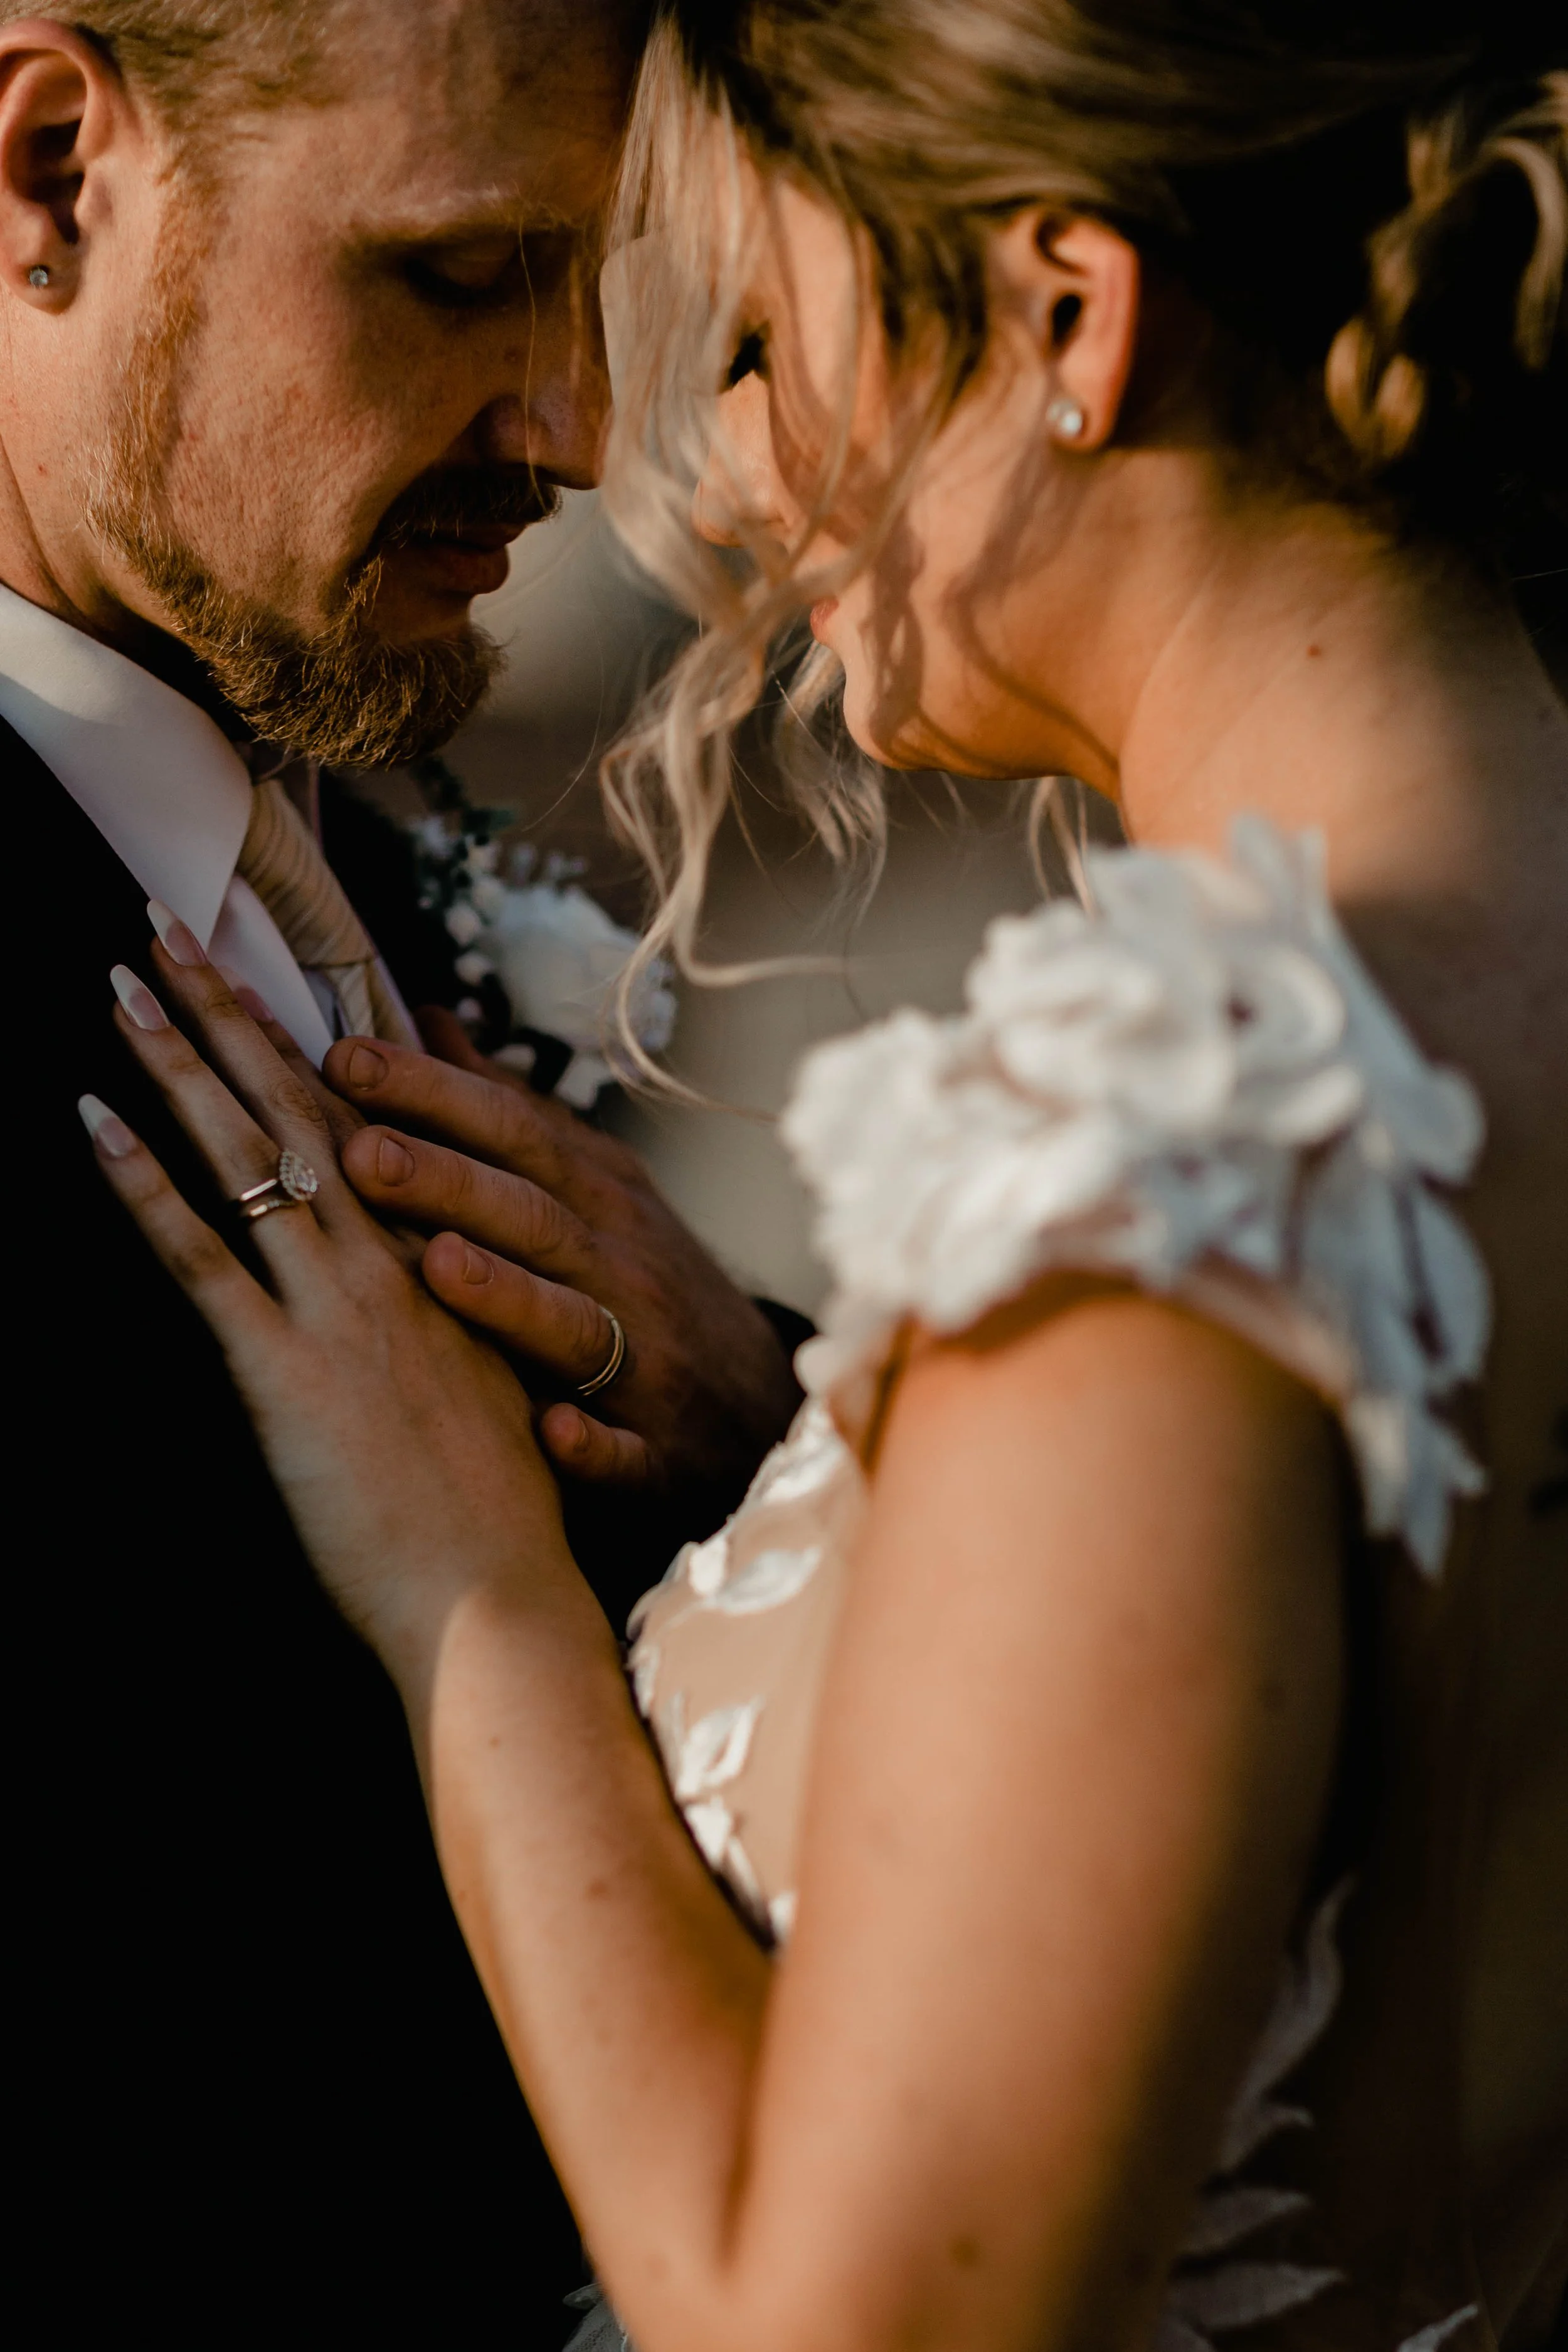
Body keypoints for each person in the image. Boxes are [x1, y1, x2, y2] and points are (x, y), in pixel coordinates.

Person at [75, 0, 1567, 2344]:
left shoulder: (1171, 1155)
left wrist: (482, 1600)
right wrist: (814, 1444)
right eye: (475, 280)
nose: (710, 472)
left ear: (1067, 322)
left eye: (758, 342)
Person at [0, 1, 802, 2331]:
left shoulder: (372, 805)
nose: (569, 428)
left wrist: (758, 1417)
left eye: (603, 289)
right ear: (55, 171)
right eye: (459, 281)